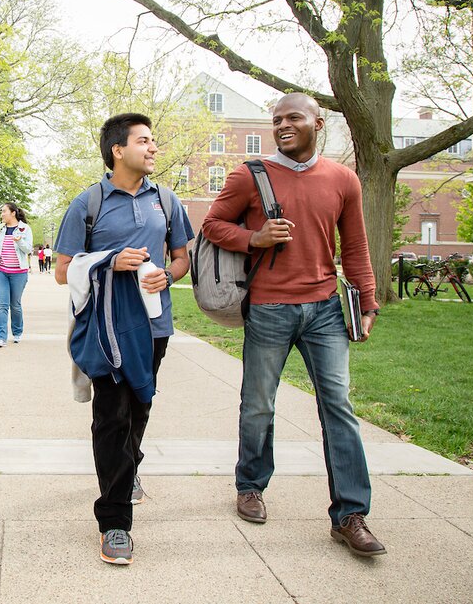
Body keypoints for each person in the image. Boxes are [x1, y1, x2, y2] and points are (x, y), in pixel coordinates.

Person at [202, 93, 386, 557]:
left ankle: (350, 515)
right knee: (259, 403)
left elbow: (357, 247)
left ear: (317, 123)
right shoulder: (250, 175)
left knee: (339, 408)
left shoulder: (344, 180)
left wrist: (367, 300)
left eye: (293, 117)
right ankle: (250, 484)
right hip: (267, 308)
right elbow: (212, 225)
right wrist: (253, 237)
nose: (283, 125)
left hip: (325, 309)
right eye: (277, 119)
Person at [54, 113, 194, 565]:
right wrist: (109, 261)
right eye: (144, 141)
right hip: (107, 330)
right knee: (112, 417)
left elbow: (180, 259)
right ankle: (114, 521)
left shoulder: (167, 200)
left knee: (140, 408)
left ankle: (127, 468)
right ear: (118, 150)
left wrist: (166, 279)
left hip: (154, 327)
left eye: (154, 142)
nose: (153, 148)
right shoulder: (88, 203)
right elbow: (62, 271)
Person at [0, 203, 33, 348]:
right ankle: (1, 338)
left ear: (13, 213)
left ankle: (17, 332)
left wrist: (19, 240)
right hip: (0, 272)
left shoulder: (25, 229)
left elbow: (28, 250)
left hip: (19, 273)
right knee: (2, 305)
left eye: (4, 211)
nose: (2, 214)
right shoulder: (1, 229)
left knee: (15, 305)